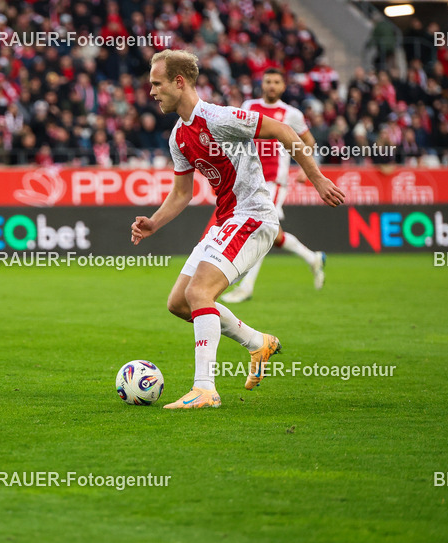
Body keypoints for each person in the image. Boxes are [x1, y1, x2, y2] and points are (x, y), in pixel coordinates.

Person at [130, 50, 344, 410]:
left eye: (156, 83)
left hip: (254, 214)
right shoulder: (178, 136)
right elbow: (181, 194)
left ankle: (205, 389)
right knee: (179, 303)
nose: (151, 91)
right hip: (226, 218)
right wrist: (154, 222)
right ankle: (258, 342)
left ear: (179, 82)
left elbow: (281, 130)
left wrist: (318, 179)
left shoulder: (219, 117)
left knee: (200, 292)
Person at [222, 68, 326, 303]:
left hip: (274, 181)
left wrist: (304, 169)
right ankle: (313, 258)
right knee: (274, 235)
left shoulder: (291, 113)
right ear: (263, 84)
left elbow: (308, 141)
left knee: (259, 229)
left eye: (276, 82)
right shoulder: (249, 106)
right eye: (268, 81)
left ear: (282, 86)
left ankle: (246, 287)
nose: (271, 85)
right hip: (249, 178)